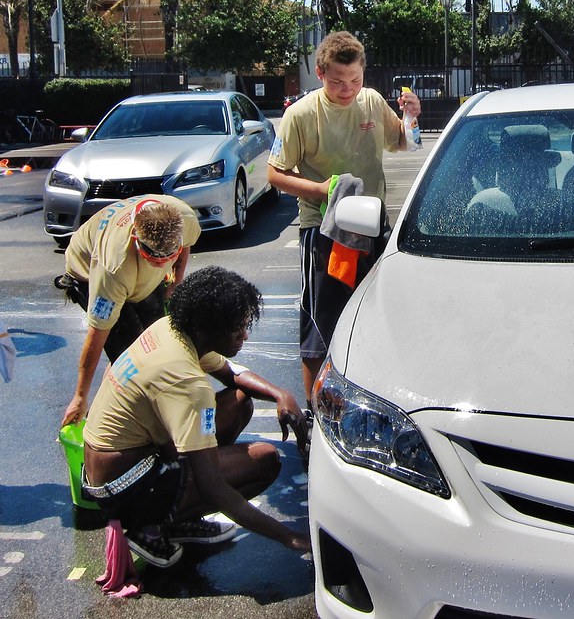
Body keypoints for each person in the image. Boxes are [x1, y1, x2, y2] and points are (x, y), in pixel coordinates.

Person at [81, 265, 311, 568]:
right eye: (236, 328)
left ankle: (172, 510)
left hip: (111, 466)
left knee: (239, 401)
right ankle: (153, 525)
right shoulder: (187, 383)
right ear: (208, 328)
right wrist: (288, 537)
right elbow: (213, 487)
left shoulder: (172, 328)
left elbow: (232, 374)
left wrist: (282, 395)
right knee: (265, 459)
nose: (244, 335)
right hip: (123, 485)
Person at [267, 31, 421, 403]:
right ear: (320, 73)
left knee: (374, 318)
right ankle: (314, 417)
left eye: (355, 80)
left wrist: (411, 116)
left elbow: (403, 141)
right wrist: (322, 191)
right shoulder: (299, 114)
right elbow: (274, 174)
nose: (347, 89)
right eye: (337, 81)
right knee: (320, 326)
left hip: (373, 227)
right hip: (323, 231)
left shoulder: (370, 102)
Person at [57, 195, 202, 428]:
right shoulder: (112, 266)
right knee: (135, 364)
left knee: (159, 345)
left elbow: (184, 245)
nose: (160, 261)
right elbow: (97, 334)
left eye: (167, 255)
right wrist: (80, 396)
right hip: (89, 272)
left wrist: (176, 281)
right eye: (153, 254)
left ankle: (135, 404)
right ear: (136, 237)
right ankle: (115, 422)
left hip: (142, 278)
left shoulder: (184, 218)